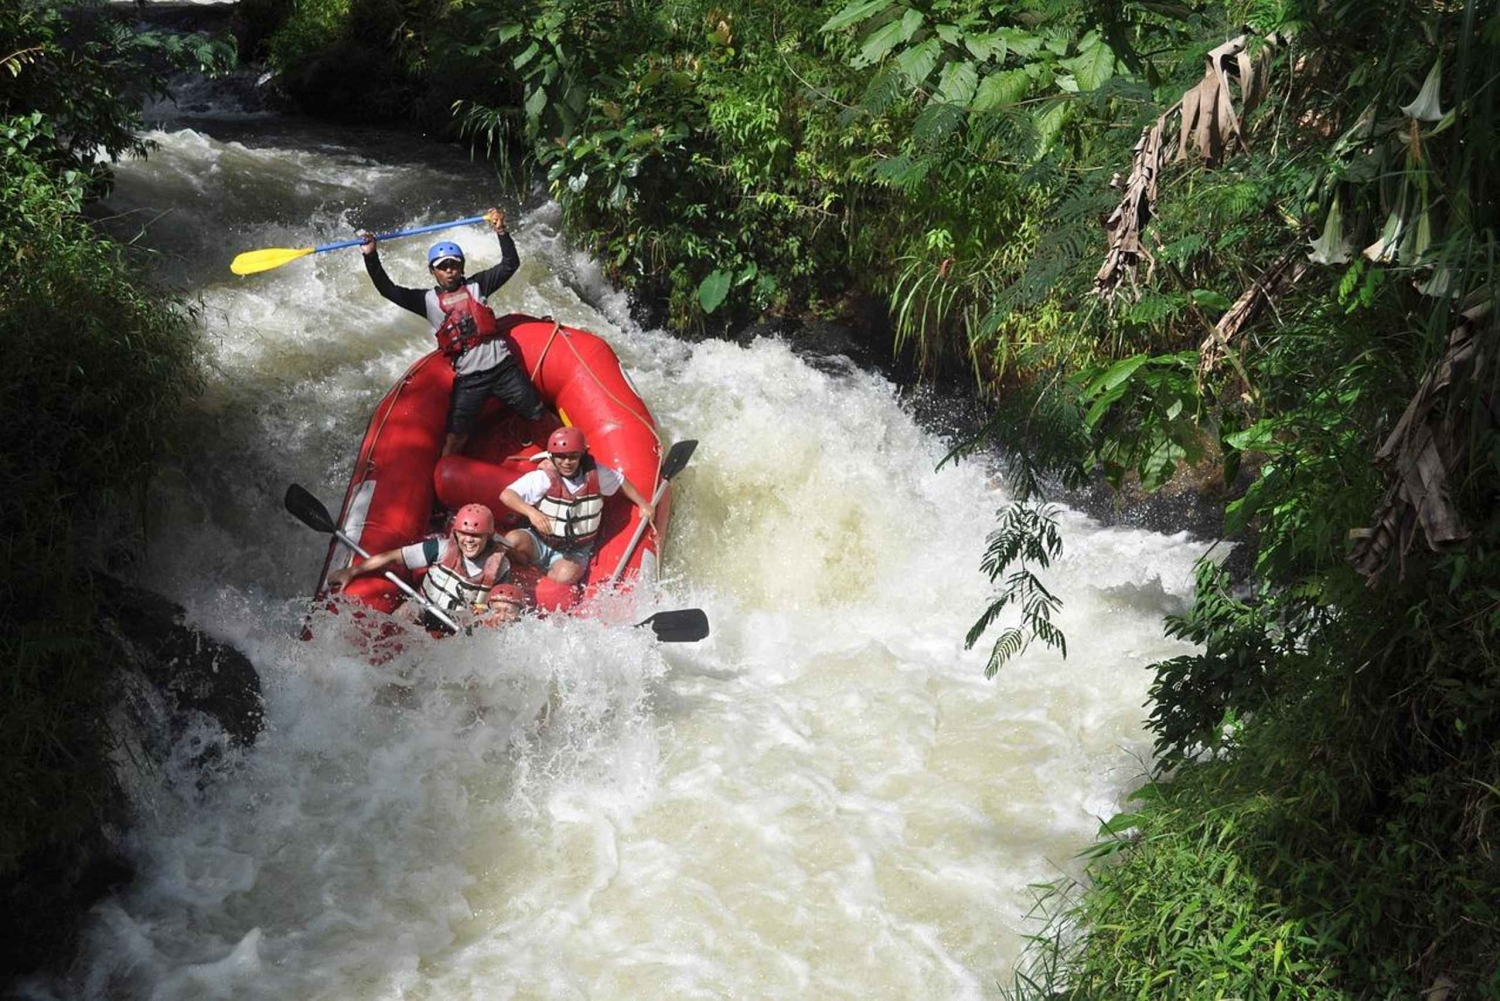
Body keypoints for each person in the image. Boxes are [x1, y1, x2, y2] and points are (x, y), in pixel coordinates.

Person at [359, 207, 545, 457]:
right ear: (433, 271)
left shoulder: (479, 285)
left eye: (454, 265)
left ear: (462, 268)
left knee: (538, 414)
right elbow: (388, 290)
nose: (449, 270)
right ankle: (445, 473)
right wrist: (370, 255)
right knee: (455, 438)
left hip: (503, 369)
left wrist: (501, 230)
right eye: (443, 266)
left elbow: (511, 264)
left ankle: (565, 456)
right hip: (470, 380)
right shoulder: (426, 300)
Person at [500, 427, 655, 585]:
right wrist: (532, 513)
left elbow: (621, 482)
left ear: (582, 455)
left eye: (573, 456)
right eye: (561, 457)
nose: (566, 462)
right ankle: (528, 568)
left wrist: (642, 504)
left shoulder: (597, 474)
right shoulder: (542, 477)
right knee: (512, 540)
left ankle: (549, 583)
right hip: (539, 539)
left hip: (576, 549)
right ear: (552, 456)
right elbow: (507, 495)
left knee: (565, 576)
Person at [327, 503, 511, 628]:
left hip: (461, 621)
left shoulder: (500, 566)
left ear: (488, 536)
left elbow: (495, 605)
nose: (469, 540)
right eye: (464, 533)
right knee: (409, 610)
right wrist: (352, 571)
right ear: (456, 533)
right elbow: (391, 557)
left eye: (476, 535)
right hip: (423, 607)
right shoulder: (441, 548)